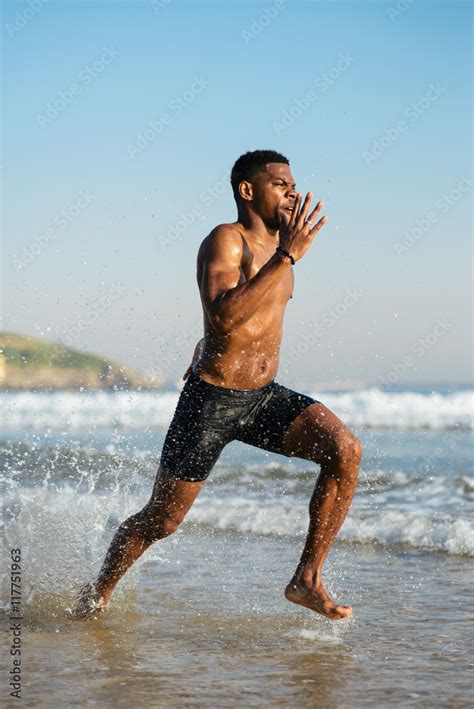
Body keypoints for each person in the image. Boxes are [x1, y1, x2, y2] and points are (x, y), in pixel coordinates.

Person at [74, 149, 362, 621]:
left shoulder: (278, 248)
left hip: (263, 396)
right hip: (210, 402)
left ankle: (306, 579)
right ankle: (96, 593)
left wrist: (207, 334)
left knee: (345, 450)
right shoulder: (227, 240)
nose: (293, 192)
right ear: (248, 191)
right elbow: (225, 314)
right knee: (161, 521)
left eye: (294, 184)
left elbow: (248, 318)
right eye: (281, 184)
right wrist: (288, 254)